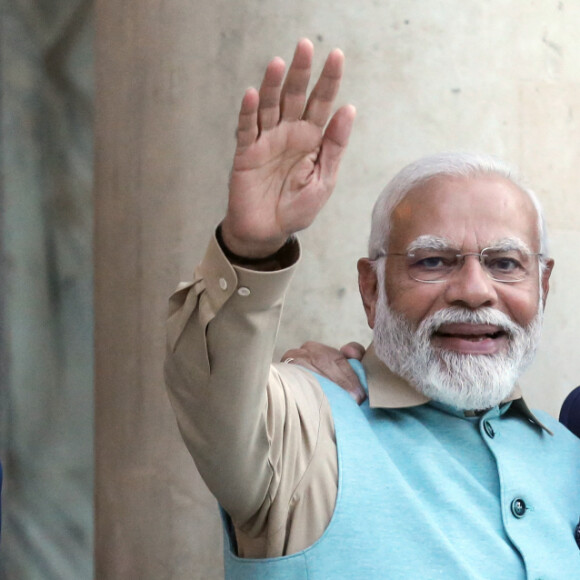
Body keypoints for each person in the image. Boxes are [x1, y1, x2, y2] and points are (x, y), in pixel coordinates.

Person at [164, 39, 580, 578]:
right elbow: (212, 397)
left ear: (543, 288)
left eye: (505, 263)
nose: (475, 290)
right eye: (433, 261)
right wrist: (250, 250)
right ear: (371, 287)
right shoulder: (307, 431)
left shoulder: (570, 453)